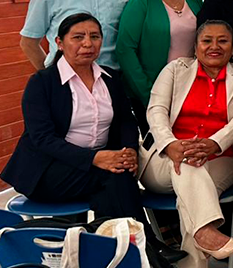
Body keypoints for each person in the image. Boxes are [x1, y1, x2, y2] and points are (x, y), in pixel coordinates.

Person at [139, 20, 233, 268]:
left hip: (221, 158)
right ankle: (204, 233)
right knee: (190, 169)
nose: (214, 46)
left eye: (222, 41)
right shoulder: (175, 69)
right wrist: (171, 144)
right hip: (164, 159)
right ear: (195, 47)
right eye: (207, 41)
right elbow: (156, 109)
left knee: (192, 186)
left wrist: (214, 144)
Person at [3, 13, 144, 220]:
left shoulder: (110, 78)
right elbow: (42, 138)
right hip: (48, 169)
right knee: (115, 177)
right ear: (59, 43)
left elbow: (126, 121)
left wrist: (129, 150)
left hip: (98, 165)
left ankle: (106, 237)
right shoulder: (42, 82)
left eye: (95, 37)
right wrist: (94, 158)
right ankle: (138, 237)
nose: (87, 43)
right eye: (78, 37)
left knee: (115, 179)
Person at [116, 0, 203, 132]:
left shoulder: (195, 1)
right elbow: (125, 50)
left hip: (189, 88)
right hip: (150, 88)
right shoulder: (140, 3)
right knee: (159, 144)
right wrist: (148, 93)